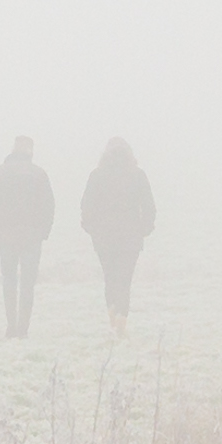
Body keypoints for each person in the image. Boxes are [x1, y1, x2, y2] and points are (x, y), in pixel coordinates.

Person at [0, 136, 56, 338]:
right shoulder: (39, 174)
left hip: (7, 236)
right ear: (30, 152)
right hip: (32, 237)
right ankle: (24, 327)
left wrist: (0, 226)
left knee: (9, 281)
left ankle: (10, 325)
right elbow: (49, 206)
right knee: (27, 283)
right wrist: (43, 231)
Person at [83, 137, 156, 328]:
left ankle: (112, 316)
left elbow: (87, 206)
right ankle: (122, 318)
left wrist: (92, 230)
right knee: (125, 280)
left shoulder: (97, 175)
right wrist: (144, 229)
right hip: (130, 238)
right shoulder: (137, 175)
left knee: (110, 278)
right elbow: (149, 206)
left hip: (104, 238)